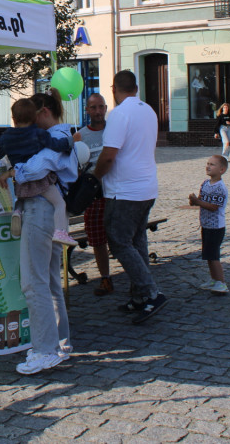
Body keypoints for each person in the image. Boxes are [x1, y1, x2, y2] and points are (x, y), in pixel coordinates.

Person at [93, 69, 168, 324]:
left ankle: (150, 292)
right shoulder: (148, 110)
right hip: (146, 187)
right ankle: (139, 297)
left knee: (119, 242)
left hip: (124, 191)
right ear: (136, 88)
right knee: (137, 241)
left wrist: (95, 177)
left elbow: (109, 154)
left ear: (114, 89)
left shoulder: (119, 114)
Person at [7, 92, 74, 375]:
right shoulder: (54, 134)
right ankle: (60, 344)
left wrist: (12, 170)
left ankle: (45, 350)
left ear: (42, 112)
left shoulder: (54, 136)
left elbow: (33, 171)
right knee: (47, 280)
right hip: (44, 208)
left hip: (39, 208)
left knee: (33, 283)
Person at [0, 98, 76, 246]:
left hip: (20, 181)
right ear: (34, 117)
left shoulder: (7, 137)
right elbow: (56, 145)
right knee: (60, 203)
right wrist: (71, 142)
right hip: (40, 182)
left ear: (14, 119)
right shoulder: (39, 133)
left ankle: (17, 212)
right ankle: (60, 232)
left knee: (22, 198)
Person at [72, 93, 116, 296]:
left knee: (122, 238)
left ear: (106, 108)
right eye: (93, 108)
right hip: (94, 196)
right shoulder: (81, 136)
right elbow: (75, 168)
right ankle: (105, 278)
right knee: (98, 241)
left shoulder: (115, 131)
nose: (98, 111)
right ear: (87, 110)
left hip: (117, 193)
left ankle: (135, 278)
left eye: (101, 107)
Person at [188, 155, 229, 294]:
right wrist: (193, 200)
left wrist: (197, 202)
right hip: (205, 225)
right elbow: (201, 200)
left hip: (216, 227)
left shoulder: (220, 188)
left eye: (212, 164)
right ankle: (214, 279)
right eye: (207, 163)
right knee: (208, 255)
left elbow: (213, 207)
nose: (208, 166)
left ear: (222, 169)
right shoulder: (205, 183)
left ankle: (221, 282)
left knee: (213, 255)